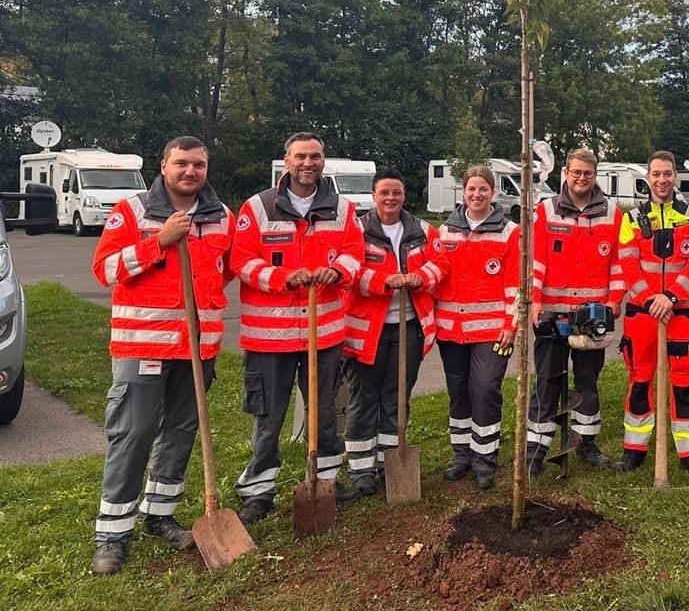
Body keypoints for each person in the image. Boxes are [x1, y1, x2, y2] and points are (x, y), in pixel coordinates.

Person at [89, 136, 233, 574]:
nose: (191, 171)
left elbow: (222, 273)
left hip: (197, 348)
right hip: (144, 346)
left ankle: (159, 515)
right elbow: (105, 270)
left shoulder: (221, 216)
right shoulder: (133, 211)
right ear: (164, 165)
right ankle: (112, 534)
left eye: (199, 165)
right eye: (182, 163)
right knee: (134, 433)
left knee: (181, 431)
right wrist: (160, 242)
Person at [231, 132, 365, 524]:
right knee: (268, 418)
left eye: (316, 157)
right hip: (268, 339)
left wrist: (337, 271)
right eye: (301, 156)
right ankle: (259, 491)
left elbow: (355, 253)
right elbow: (241, 261)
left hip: (323, 334)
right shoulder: (258, 207)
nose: (309, 163)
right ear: (287, 160)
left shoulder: (342, 209)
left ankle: (325, 481)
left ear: (324, 161)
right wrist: (282, 278)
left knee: (324, 414)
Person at [341, 169, 442, 495]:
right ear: (374, 195)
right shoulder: (356, 230)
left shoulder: (422, 230)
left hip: (409, 327)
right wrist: (383, 281)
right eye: (384, 192)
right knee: (363, 396)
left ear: (404, 195)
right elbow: (348, 270)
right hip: (366, 330)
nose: (391, 198)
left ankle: (390, 460)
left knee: (397, 396)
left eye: (396, 192)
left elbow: (441, 263)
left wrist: (421, 277)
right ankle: (361, 470)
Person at [525, 148, 625, 477]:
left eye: (588, 173)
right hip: (552, 315)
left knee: (587, 382)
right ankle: (536, 449)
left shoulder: (612, 214)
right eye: (576, 172)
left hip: (592, 317)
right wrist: (535, 301)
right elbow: (536, 261)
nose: (582, 178)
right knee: (547, 381)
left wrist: (614, 300)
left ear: (596, 175)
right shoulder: (547, 210)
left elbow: (618, 264)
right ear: (566, 173)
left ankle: (586, 443)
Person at [615, 150, 689, 478]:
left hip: (682, 313)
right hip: (643, 315)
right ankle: (634, 450)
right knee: (640, 381)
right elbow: (628, 262)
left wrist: (670, 297)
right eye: (656, 174)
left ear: (675, 177)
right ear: (648, 177)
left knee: (684, 383)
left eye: (667, 173)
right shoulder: (632, 219)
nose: (662, 179)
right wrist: (650, 300)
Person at [432, 165, 520, 490]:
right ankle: (462, 456)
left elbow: (516, 285)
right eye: (471, 188)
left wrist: (512, 325)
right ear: (463, 191)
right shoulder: (445, 232)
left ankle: (485, 459)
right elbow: (436, 276)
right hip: (451, 331)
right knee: (458, 393)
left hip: (493, 332)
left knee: (484, 390)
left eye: (483, 189)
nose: (477, 194)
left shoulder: (509, 233)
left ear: (492, 193)